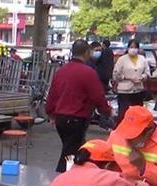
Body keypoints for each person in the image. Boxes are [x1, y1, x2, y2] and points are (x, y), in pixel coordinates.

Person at [46, 39, 112, 173]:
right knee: (69, 154)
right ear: (87, 52)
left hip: (61, 119)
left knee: (74, 150)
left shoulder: (61, 71)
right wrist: (106, 111)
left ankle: (73, 176)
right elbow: (97, 96)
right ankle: (61, 181)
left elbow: (53, 94)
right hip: (77, 118)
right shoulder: (88, 72)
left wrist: (51, 113)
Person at [108, 106, 157, 186]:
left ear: (149, 131)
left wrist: (144, 166)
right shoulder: (116, 135)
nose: (127, 138)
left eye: (133, 135)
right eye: (126, 131)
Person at [113, 39, 150, 124]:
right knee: (123, 114)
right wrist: (128, 78)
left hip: (138, 90)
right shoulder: (122, 59)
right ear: (128, 48)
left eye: (135, 47)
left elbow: (147, 73)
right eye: (131, 47)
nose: (133, 49)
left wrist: (142, 77)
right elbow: (115, 75)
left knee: (137, 114)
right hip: (124, 91)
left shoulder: (142, 59)